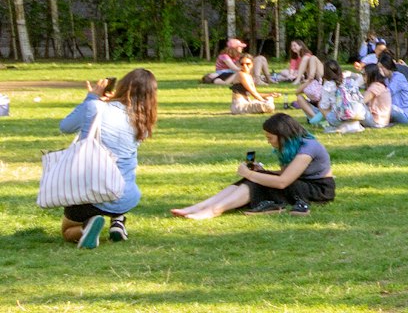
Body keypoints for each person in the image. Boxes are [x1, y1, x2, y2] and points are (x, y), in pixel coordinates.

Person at [56, 71, 156, 247]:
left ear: (122, 86)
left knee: (67, 230)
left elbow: (65, 126)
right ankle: (117, 221)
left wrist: (91, 98)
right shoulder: (143, 121)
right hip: (126, 195)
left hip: (90, 192)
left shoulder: (94, 107)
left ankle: (86, 229)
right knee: (120, 173)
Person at [170, 113, 335, 219]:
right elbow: (285, 174)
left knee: (255, 182)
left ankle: (215, 210)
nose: (268, 141)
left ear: (282, 136)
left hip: (318, 189)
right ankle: (201, 206)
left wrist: (251, 175)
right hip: (301, 183)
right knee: (254, 179)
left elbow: (283, 182)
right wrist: (262, 172)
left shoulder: (308, 148)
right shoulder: (291, 147)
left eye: (270, 137)